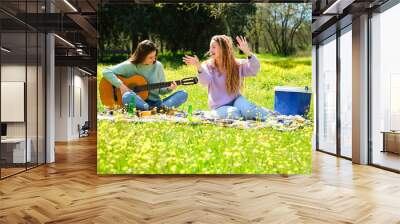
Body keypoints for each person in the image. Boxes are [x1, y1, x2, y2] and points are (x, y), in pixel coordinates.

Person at [183, 35, 274, 121]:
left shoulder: (236, 64)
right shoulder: (207, 65)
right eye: (210, 47)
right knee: (234, 113)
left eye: (214, 47)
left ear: (223, 49)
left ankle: (272, 115)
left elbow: (254, 69)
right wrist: (199, 67)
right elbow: (205, 81)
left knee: (249, 111)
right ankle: (210, 114)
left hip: (237, 100)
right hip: (219, 106)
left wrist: (248, 52)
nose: (210, 50)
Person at [102, 40, 188, 111]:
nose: (154, 59)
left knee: (183, 94)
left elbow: (161, 91)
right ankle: (154, 109)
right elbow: (106, 71)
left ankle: (156, 109)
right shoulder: (130, 66)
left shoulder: (158, 66)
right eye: (150, 57)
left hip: (156, 102)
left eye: (155, 56)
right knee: (127, 96)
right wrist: (121, 85)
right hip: (138, 102)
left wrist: (169, 89)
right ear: (141, 56)